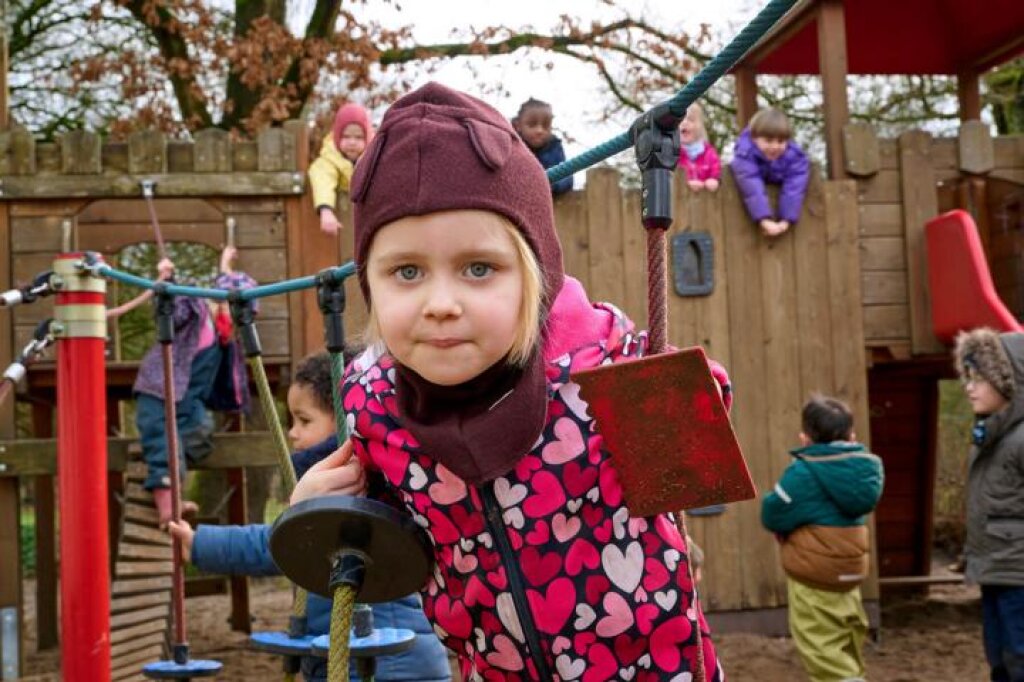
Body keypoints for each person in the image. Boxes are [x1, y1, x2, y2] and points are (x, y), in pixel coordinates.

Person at [290, 82, 732, 680]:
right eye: (406, 271)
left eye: (479, 268)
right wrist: (328, 510)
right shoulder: (376, 409)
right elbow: (392, 522)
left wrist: (692, 397)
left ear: (536, 277)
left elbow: (700, 448)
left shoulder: (604, 369)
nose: (440, 303)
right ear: (369, 282)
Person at [169, 351, 451, 682]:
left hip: (383, 663)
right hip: (376, 656)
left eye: (304, 421)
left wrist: (201, 543)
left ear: (343, 421)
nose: (292, 433)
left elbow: (277, 543)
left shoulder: (358, 483)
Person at [761, 395, 884, 682]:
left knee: (821, 647)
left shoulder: (803, 473)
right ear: (852, 435)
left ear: (805, 438)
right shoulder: (866, 471)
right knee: (848, 632)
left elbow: (772, 513)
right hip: (851, 571)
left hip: (814, 574)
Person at [134, 246, 256, 527]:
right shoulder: (195, 310)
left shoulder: (226, 337)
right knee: (162, 440)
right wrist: (167, 282)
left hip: (190, 400)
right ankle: (168, 506)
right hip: (159, 388)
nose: (230, 314)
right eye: (226, 305)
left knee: (200, 434)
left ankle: (166, 468)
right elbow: (171, 312)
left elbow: (231, 285)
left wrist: (225, 261)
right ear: (215, 300)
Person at [954, 328, 1024, 682]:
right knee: (998, 657)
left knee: (1018, 658)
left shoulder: (1020, 440)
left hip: (1019, 575)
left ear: (1009, 383)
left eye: (979, 379)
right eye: (968, 378)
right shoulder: (988, 438)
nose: (969, 387)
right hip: (994, 568)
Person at [729, 107, 810, 238]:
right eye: (768, 140)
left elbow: (794, 187)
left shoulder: (795, 157)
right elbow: (751, 186)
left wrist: (786, 219)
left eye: (781, 141)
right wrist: (764, 219)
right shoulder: (745, 155)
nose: (775, 146)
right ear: (754, 138)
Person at [308, 102, 373, 235]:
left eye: (359, 137)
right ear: (337, 137)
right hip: (343, 228)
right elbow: (322, 179)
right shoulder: (330, 158)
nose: (352, 142)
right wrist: (325, 209)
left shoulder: (374, 159)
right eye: (346, 136)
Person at [511, 97, 574, 195]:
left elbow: (567, 178)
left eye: (546, 126)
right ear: (518, 126)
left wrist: (549, 185)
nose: (539, 130)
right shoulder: (511, 146)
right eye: (532, 125)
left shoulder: (554, 147)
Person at [677, 103, 721, 192]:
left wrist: (713, 179)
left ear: (699, 126)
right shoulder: (671, 154)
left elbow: (716, 169)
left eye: (690, 119)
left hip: (705, 201)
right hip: (680, 201)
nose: (684, 123)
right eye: (680, 120)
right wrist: (686, 183)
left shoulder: (709, 153)